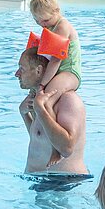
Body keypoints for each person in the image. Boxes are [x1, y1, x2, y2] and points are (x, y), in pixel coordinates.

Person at [16, 47, 88, 176]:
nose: (17, 74)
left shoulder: (69, 100)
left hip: (63, 181)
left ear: (38, 70)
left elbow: (66, 149)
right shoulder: (40, 100)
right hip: (40, 179)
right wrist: (24, 114)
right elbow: (40, 138)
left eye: (22, 68)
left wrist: (40, 109)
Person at [28, 0, 82, 97]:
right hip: (56, 72)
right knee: (31, 98)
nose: (42, 25)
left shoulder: (62, 27)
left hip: (68, 73)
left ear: (57, 11)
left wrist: (42, 84)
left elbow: (55, 60)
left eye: (46, 20)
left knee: (44, 98)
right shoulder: (49, 26)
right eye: (37, 21)